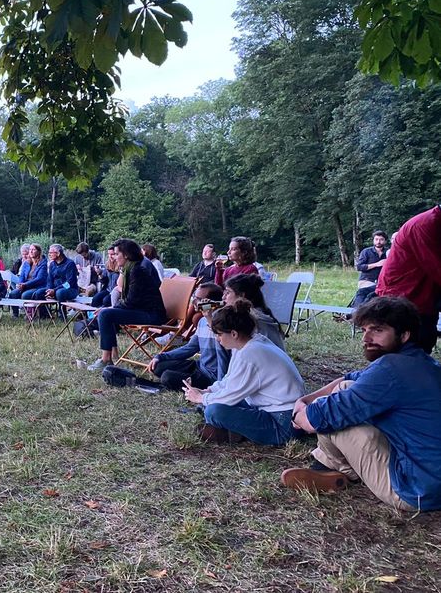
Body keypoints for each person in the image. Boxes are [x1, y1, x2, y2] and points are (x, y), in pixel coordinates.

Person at [283, 297, 441, 511]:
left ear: (404, 335)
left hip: (416, 490)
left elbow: (319, 419)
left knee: (327, 413)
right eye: (364, 330)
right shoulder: (421, 363)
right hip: (430, 477)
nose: (366, 338)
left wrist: (298, 415)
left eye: (377, 330)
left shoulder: (390, 370)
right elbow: (351, 377)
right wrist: (303, 400)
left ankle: (329, 470)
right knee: (344, 388)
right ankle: (332, 469)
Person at [183, 300, 306, 446]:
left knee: (213, 411)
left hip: (284, 425)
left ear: (234, 334)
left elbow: (229, 396)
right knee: (214, 403)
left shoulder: (250, 355)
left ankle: (233, 433)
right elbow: (230, 380)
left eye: (219, 334)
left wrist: (200, 398)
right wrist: (208, 391)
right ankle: (233, 432)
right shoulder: (250, 344)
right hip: (284, 413)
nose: (217, 339)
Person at [87, 239, 166, 371]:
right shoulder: (131, 268)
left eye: (117, 254)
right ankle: (113, 355)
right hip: (143, 311)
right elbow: (121, 288)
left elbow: (131, 301)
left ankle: (106, 359)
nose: (114, 257)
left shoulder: (138, 270)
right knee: (107, 314)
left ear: (127, 255)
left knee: (106, 314)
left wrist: (111, 308)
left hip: (152, 315)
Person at [376, 206, 441, 354]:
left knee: (423, 342)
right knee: (408, 346)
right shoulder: (425, 225)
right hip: (403, 293)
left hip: (424, 292)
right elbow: (436, 266)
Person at [146, 283, 230, 391]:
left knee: (167, 377)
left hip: (212, 376)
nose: (194, 301)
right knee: (159, 366)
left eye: (199, 299)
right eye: (194, 297)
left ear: (211, 303)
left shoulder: (225, 323)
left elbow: (224, 359)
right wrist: (161, 356)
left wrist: (219, 387)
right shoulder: (202, 321)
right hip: (200, 367)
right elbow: (190, 348)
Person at [223, 273, 286, 351]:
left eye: (228, 292)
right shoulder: (253, 314)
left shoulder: (252, 319)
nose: (224, 297)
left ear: (242, 295)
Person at [22, 244, 79, 314]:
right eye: (49, 253)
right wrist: (49, 289)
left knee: (60, 292)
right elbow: (49, 280)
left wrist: (54, 290)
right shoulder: (52, 264)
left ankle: (62, 314)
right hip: (54, 289)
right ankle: (45, 315)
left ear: (58, 253)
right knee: (39, 292)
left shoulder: (70, 264)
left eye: (51, 253)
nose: (49, 254)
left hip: (70, 289)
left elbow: (70, 282)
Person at [349, 231, 388, 308]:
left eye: (381, 239)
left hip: (382, 282)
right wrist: (377, 264)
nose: (378, 242)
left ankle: (358, 312)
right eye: (376, 239)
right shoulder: (366, 251)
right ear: (373, 240)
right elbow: (359, 267)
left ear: (385, 241)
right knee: (368, 293)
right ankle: (355, 311)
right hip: (367, 280)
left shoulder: (388, 252)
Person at [8, 243, 47, 317]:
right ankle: (15, 314)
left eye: (33, 249)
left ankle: (31, 314)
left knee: (25, 295)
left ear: (38, 252)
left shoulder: (43, 263)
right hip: (25, 286)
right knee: (13, 294)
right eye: (30, 250)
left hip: (37, 286)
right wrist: (20, 284)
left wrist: (25, 285)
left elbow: (40, 279)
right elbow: (22, 276)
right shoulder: (26, 263)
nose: (31, 251)